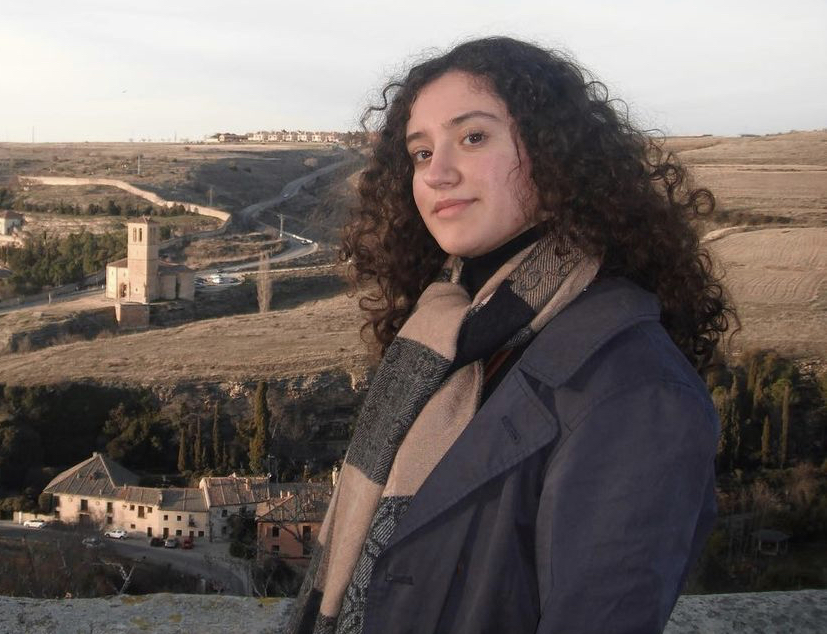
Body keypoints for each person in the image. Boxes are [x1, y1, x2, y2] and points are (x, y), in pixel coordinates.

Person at [289, 37, 733, 634]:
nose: (438, 173)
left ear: (558, 156)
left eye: (473, 137)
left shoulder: (634, 389)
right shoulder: (443, 336)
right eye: (420, 153)